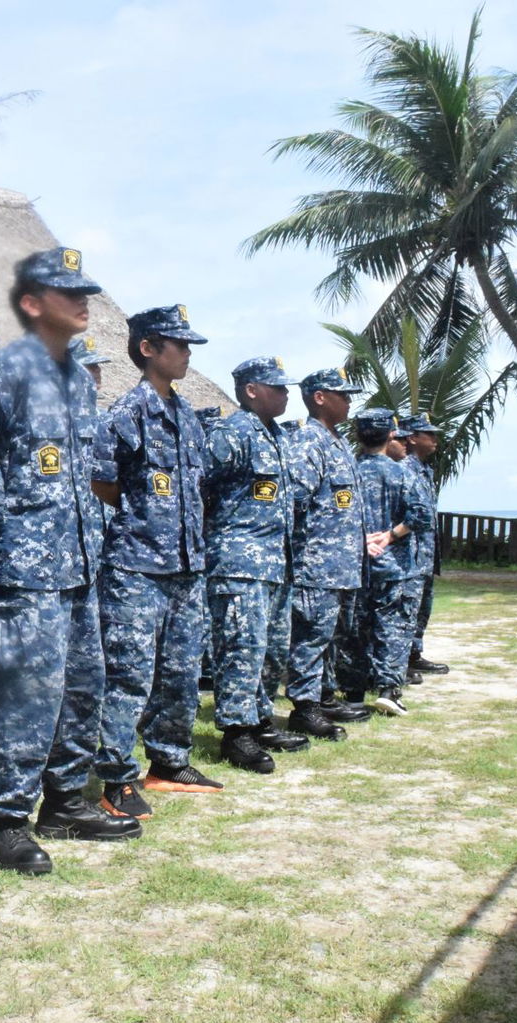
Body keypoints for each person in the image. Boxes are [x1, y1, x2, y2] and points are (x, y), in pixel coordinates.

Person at [0, 247, 141, 879]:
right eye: (67, 292)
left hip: (78, 566)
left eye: (86, 292)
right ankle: (8, 821)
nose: (84, 302)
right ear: (32, 304)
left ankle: (64, 802)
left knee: (82, 689)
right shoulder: (11, 373)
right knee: (26, 696)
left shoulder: (78, 380)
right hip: (22, 573)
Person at [89, 305, 223, 821]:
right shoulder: (126, 413)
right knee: (128, 675)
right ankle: (116, 779)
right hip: (137, 566)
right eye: (179, 344)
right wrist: (143, 518)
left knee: (181, 671)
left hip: (186, 566)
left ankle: (169, 761)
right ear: (148, 348)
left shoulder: (187, 415)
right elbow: (103, 482)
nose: (188, 354)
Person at [201, 356, 311, 774]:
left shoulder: (274, 435)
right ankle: (236, 733)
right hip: (238, 562)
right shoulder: (233, 432)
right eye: (278, 387)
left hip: (274, 563)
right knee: (240, 649)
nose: (286, 394)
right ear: (251, 390)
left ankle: (260, 720)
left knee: (271, 650)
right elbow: (200, 486)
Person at [285, 368, 381, 737]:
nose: (350, 401)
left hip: (341, 565)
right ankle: (304, 708)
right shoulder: (309, 442)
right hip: (316, 565)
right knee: (310, 638)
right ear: (320, 397)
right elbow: (295, 503)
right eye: (343, 394)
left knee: (329, 638)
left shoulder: (337, 441)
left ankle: (323, 697)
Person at [337, 409, 433, 716]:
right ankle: (389, 690)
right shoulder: (403, 471)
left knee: (355, 629)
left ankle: (352, 691)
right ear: (390, 435)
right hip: (395, 565)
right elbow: (422, 515)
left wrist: (361, 540)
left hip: (358, 564)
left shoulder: (348, 470)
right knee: (393, 627)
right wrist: (391, 535)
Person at [401, 416, 448, 674]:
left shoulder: (424, 469)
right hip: (410, 554)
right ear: (412, 437)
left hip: (426, 554)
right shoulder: (404, 469)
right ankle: (402, 659)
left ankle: (414, 654)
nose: (435, 440)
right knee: (408, 609)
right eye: (429, 434)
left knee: (422, 608)